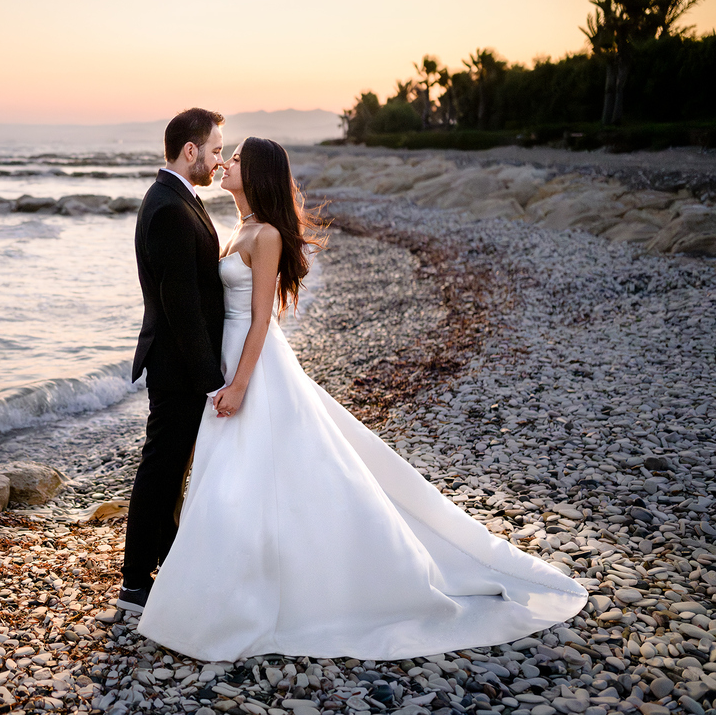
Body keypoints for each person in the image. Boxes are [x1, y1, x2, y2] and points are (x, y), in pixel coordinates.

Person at [135, 137, 588, 661]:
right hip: (231, 356)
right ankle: (227, 579)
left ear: (256, 171)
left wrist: (238, 383)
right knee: (237, 472)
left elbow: (263, 318)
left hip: (252, 361)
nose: (225, 163)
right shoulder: (242, 226)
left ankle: (273, 586)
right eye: (225, 154)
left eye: (235, 159)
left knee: (260, 467)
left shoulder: (265, 236)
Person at [118, 108, 228, 613]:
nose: (218, 158)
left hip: (183, 363)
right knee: (162, 467)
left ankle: (164, 562)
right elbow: (181, 306)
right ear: (192, 150)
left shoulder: (179, 198)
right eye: (215, 149)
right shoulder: (167, 208)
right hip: (178, 366)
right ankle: (135, 581)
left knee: (173, 465)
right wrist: (212, 380)